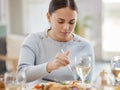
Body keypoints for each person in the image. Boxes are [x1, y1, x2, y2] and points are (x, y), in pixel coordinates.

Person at [17, 0, 95, 85]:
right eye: (60, 21)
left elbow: (86, 84)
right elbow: (20, 76)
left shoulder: (85, 46)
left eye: (72, 22)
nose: (66, 27)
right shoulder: (34, 40)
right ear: (48, 17)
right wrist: (50, 66)